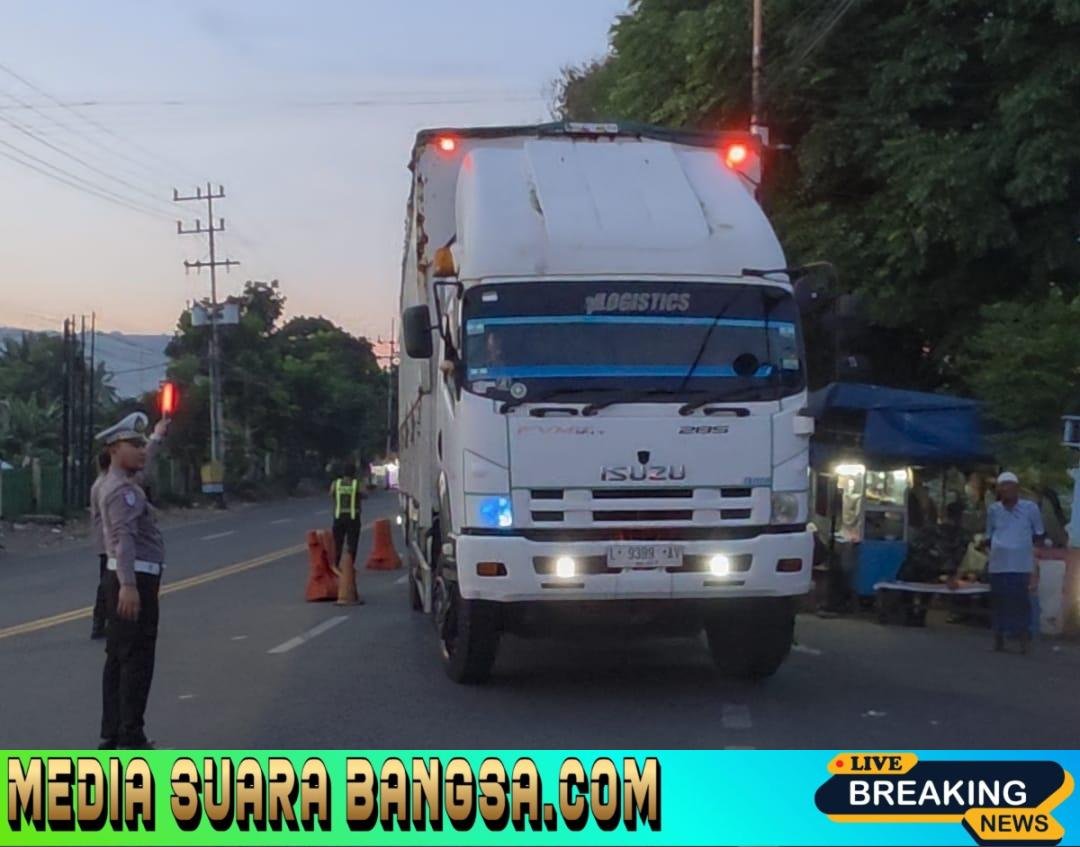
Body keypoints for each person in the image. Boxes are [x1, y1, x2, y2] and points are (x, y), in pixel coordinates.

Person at [96, 411, 169, 749]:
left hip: (125, 575)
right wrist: (128, 585)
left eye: (142, 445)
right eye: (134, 445)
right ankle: (131, 736)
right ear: (114, 449)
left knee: (119, 657)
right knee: (136, 660)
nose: (141, 451)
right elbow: (124, 539)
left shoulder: (113, 483)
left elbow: (143, 468)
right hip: (134, 577)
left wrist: (157, 437)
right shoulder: (121, 492)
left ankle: (113, 733)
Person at [984, 471, 1045, 654]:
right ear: (999, 490)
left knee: (1020, 601)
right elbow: (989, 534)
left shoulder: (1030, 508)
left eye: (1010, 485)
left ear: (1017, 488)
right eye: (1003, 486)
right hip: (998, 563)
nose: (1006, 489)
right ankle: (999, 638)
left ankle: (1023, 640)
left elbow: (1039, 533)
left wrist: (1033, 555)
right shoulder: (994, 510)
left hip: (1021, 564)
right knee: (999, 600)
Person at [89, 449, 113, 640]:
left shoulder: (100, 482)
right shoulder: (105, 484)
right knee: (107, 583)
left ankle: (102, 622)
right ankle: (100, 622)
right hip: (108, 541)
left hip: (104, 540)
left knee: (107, 582)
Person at [330, 461, 365, 579]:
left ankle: (336, 565)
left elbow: (331, 494)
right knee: (352, 543)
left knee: (337, 543)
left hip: (338, 517)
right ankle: (349, 566)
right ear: (354, 473)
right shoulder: (356, 484)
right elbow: (365, 494)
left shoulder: (336, 483)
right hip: (353, 518)